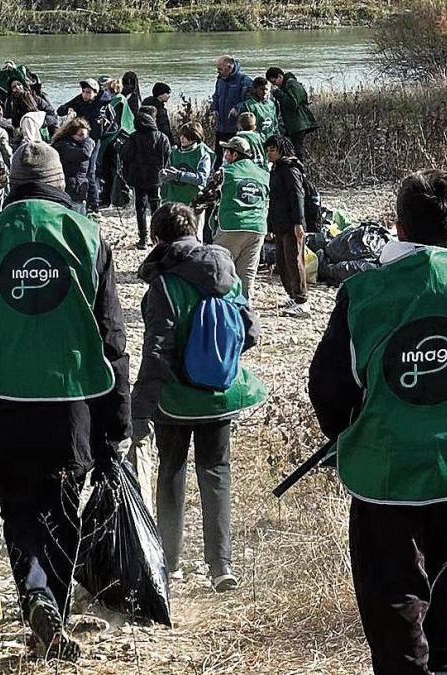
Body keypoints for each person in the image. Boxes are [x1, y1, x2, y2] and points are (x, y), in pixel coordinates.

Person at [308, 169, 447, 675]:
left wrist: (348, 433)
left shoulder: (363, 293)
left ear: (397, 227)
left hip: (386, 475)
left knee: (394, 603)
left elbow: (329, 390)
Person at [0, 142, 131, 661]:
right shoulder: (89, 237)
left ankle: (35, 595)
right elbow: (113, 341)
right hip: (75, 404)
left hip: (2, 402)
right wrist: (118, 423)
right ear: (60, 182)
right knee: (61, 507)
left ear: (12, 185)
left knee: (18, 510)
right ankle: (55, 607)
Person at [130, 202, 266, 591]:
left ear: (157, 239)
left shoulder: (163, 284)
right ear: (195, 229)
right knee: (216, 471)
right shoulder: (225, 272)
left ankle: (169, 562)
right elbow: (251, 331)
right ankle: (221, 565)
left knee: (171, 469)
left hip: (175, 398)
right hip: (220, 394)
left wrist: (140, 409)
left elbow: (156, 350)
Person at [213, 136, 270, 301]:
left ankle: (220, 309)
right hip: (257, 227)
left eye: (227, 152)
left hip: (231, 225)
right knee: (247, 275)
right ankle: (245, 312)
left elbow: (207, 195)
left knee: (221, 270)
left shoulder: (225, 172)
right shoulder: (263, 173)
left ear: (234, 154)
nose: (225, 155)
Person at [266, 135, 310, 318]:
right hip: (279, 223)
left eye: (273, 150)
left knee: (294, 261)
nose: (269, 154)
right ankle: (292, 295)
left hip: (291, 224)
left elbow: (297, 196)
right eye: (268, 150)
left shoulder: (290, 170)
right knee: (283, 262)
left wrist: (298, 223)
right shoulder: (276, 169)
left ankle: (302, 300)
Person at [57, 79, 114, 214]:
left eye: (88, 92)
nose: (85, 95)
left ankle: (93, 205)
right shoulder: (79, 100)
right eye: (83, 92)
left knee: (90, 172)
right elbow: (60, 110)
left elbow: (112, 124)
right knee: (80, 170)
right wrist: (68, 110)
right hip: (78, 138)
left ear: (95, 93)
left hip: (93, 140)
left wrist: (100, 134)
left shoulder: (103, 104)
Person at [119, 107, 170, 249]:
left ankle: (143, 238)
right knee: (156, 207)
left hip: (138, 178)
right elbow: (167, 156)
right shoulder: (162, 137)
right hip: (156, 178)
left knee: (140, 208)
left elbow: (125, 155)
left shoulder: (134, 137)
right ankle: (158, 237)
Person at [161, 122, 214, 238]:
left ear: (194, 137)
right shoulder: (174, 153)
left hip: (194, 203)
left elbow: (201, 178)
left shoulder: (203, 154)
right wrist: (164, 176)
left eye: (186, 136)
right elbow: (168, 173)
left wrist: (179, 175)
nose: (182, 138)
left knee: (194, 236)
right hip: (174, 201)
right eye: (181, 135)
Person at [97, 77, 135, 210]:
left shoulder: (118, 100)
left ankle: (110, 199)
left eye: (105, 88)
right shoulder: (117, 99)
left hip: (114, 140)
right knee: (109, 170)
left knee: (112, 170)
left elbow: (117, 123)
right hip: (113, 140)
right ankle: (108, 197)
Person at [211, 55, 253, 171]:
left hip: (236, 128)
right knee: (219, 156)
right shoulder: (220, 80)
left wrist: (237, 108)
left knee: (236, 158)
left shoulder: (244, 80)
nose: (218, 71)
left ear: (229, 67)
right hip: (221, 126)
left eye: (220, 69)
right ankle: (217, 178)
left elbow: (250, 100)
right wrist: (214, 110)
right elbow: (216, 97)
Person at [266, 67, 318, 160]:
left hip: (298, 123)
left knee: (298, 150)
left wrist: (278, 93)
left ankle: (299, 171)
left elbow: (293, 103)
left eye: (274, 82)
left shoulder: (291, 84)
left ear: (280, 76)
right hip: (293, 124)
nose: (275, 85)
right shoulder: (287, 85)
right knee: (288, 147)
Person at [51, 117, 95, 212]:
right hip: (70, 187)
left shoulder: (78, 144)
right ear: (71, 134)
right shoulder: (63, 145)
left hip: (78, 187)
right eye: (80, 135)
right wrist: (88, 141)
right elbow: (84, 154)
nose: (83, 138)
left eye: (85, 135)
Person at [239, 77, 282, 142]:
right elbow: (244, 128)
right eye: (262, 89)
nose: (265, 92)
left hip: (270, 140)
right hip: (256, 140)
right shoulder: (248, 106)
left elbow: (275, 124)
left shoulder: (272, 104)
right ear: (254, 89)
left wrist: (278, 138)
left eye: (266, 89)